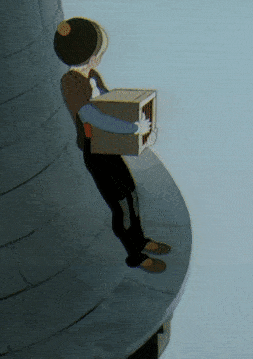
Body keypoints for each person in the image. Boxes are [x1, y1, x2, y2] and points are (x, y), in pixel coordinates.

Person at [54, 17, 171, 273]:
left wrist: (140, 129)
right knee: (121, 205)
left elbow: (111, 104)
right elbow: (93, 116)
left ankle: (141, 240)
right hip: (95, 152)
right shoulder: (71, 82)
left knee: (131, 193)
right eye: (97, 52)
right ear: (85, 53)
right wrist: (133, 129)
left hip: (108, 146)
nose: (99, 57)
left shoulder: (92, 75)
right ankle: (135, 255)